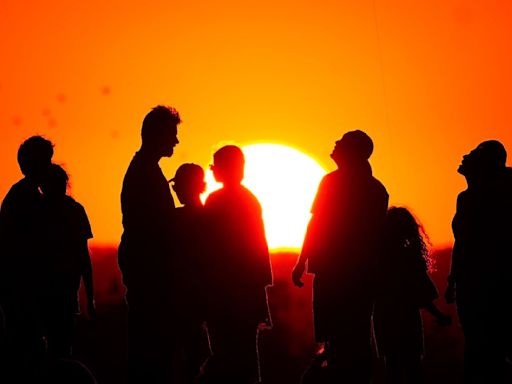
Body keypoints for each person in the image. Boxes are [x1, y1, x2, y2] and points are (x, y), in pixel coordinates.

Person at [292, 130, 388, 383]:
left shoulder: (332, 183)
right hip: (359, 276)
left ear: (353, 152)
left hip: (337, 274)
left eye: (342, 142)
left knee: (339, 336)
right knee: (355, 337)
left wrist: (301, 261)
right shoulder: (377, 189)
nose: (335, 143)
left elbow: (317, 224)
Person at [117, 105, 181, 383]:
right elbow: (155, 226)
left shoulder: (146, 171)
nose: (176, 141)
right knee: (150, 352)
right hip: (149, 273)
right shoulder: (145, 174)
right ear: (156, 134)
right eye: (172, 134)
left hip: (146, 269)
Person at [203, 145, 273, 384]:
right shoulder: (248, 200)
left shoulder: (217, 201)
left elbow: (209, 248)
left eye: (215, 166)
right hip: (244, 291)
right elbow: (259, 248)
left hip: (225, 293)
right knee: (245, 356)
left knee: (227, 355)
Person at [445, 140, 512, 383]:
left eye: (473, 153)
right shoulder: (469, 197)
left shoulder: (477, 199)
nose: (465, 155)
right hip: (475, 284)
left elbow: (467, 244)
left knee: (484, 350)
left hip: (485, 286)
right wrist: (453, 278)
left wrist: (455, 279)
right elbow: (462, 243)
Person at [373, 207, 451, 384]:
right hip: (407, 321)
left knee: (392, 368)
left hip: (384, 320)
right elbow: (422, 295)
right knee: (413, 369)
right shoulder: (410, 259)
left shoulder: (378, 260)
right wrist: (439, 316)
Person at [0, 136, 54, 380]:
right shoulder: (24, 199)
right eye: (45, 161)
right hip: (23, 290)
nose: (50, 167)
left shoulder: (26, 196)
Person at [39, 164, 96, 358]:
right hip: (47, 292)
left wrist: (90, 297)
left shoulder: (73, 210)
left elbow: (83, 256)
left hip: (62, 293)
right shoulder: (39, 211)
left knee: (58, 348)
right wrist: (90, 297)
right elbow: (83, 257)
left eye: (62, 183)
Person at [170, 163, 211, 382]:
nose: (175, 190)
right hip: (201, 298)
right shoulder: (211, 217)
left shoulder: (175, 219)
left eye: (177, 185)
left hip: (183, 299)